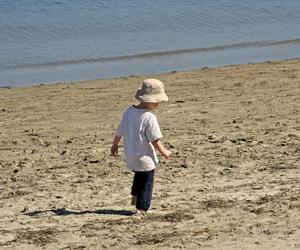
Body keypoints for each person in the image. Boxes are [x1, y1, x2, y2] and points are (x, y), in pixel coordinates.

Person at [111, 78, 171, 215]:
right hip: (144, 156)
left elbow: (120, 130)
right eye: (157, 102)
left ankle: (135, 196)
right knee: (147, 181)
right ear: (150, 101)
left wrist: (115, 144)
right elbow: (155, 139)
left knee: (139, 175)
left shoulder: (129, 111)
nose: (158, 105)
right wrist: (164, 151)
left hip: (131, 155)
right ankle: (141, 208)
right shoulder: (149, 117)